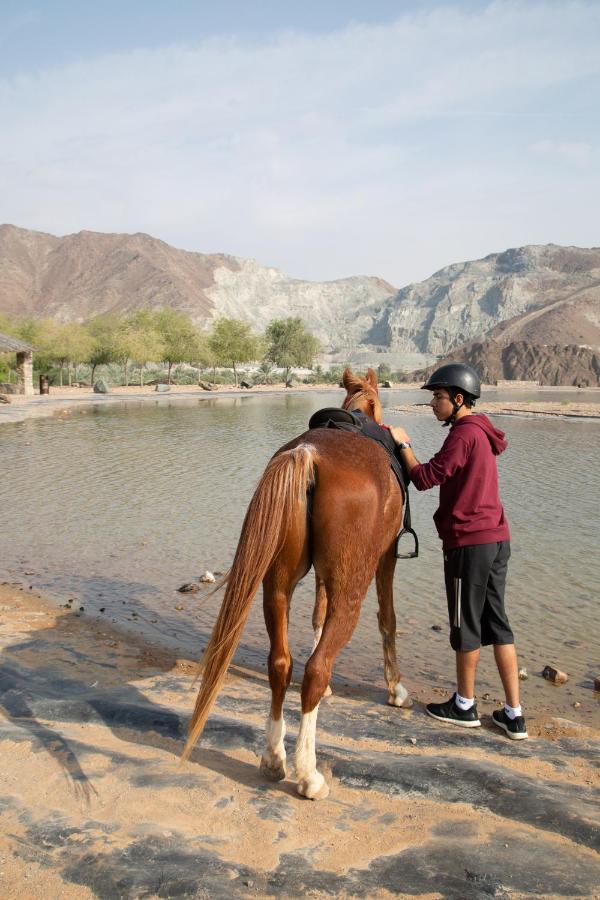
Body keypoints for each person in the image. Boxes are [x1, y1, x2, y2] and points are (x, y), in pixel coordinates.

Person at [390, 363, 527, 740]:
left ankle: (464, 705)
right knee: (498, 624)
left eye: (438, 397)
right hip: (497, 538)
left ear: (459, 399)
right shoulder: (481, 431)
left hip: (470, 543)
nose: (433, 403)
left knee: (465, 624)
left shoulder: (463, 434)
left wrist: (403, 444)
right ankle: (514, 715)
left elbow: (425, 477)